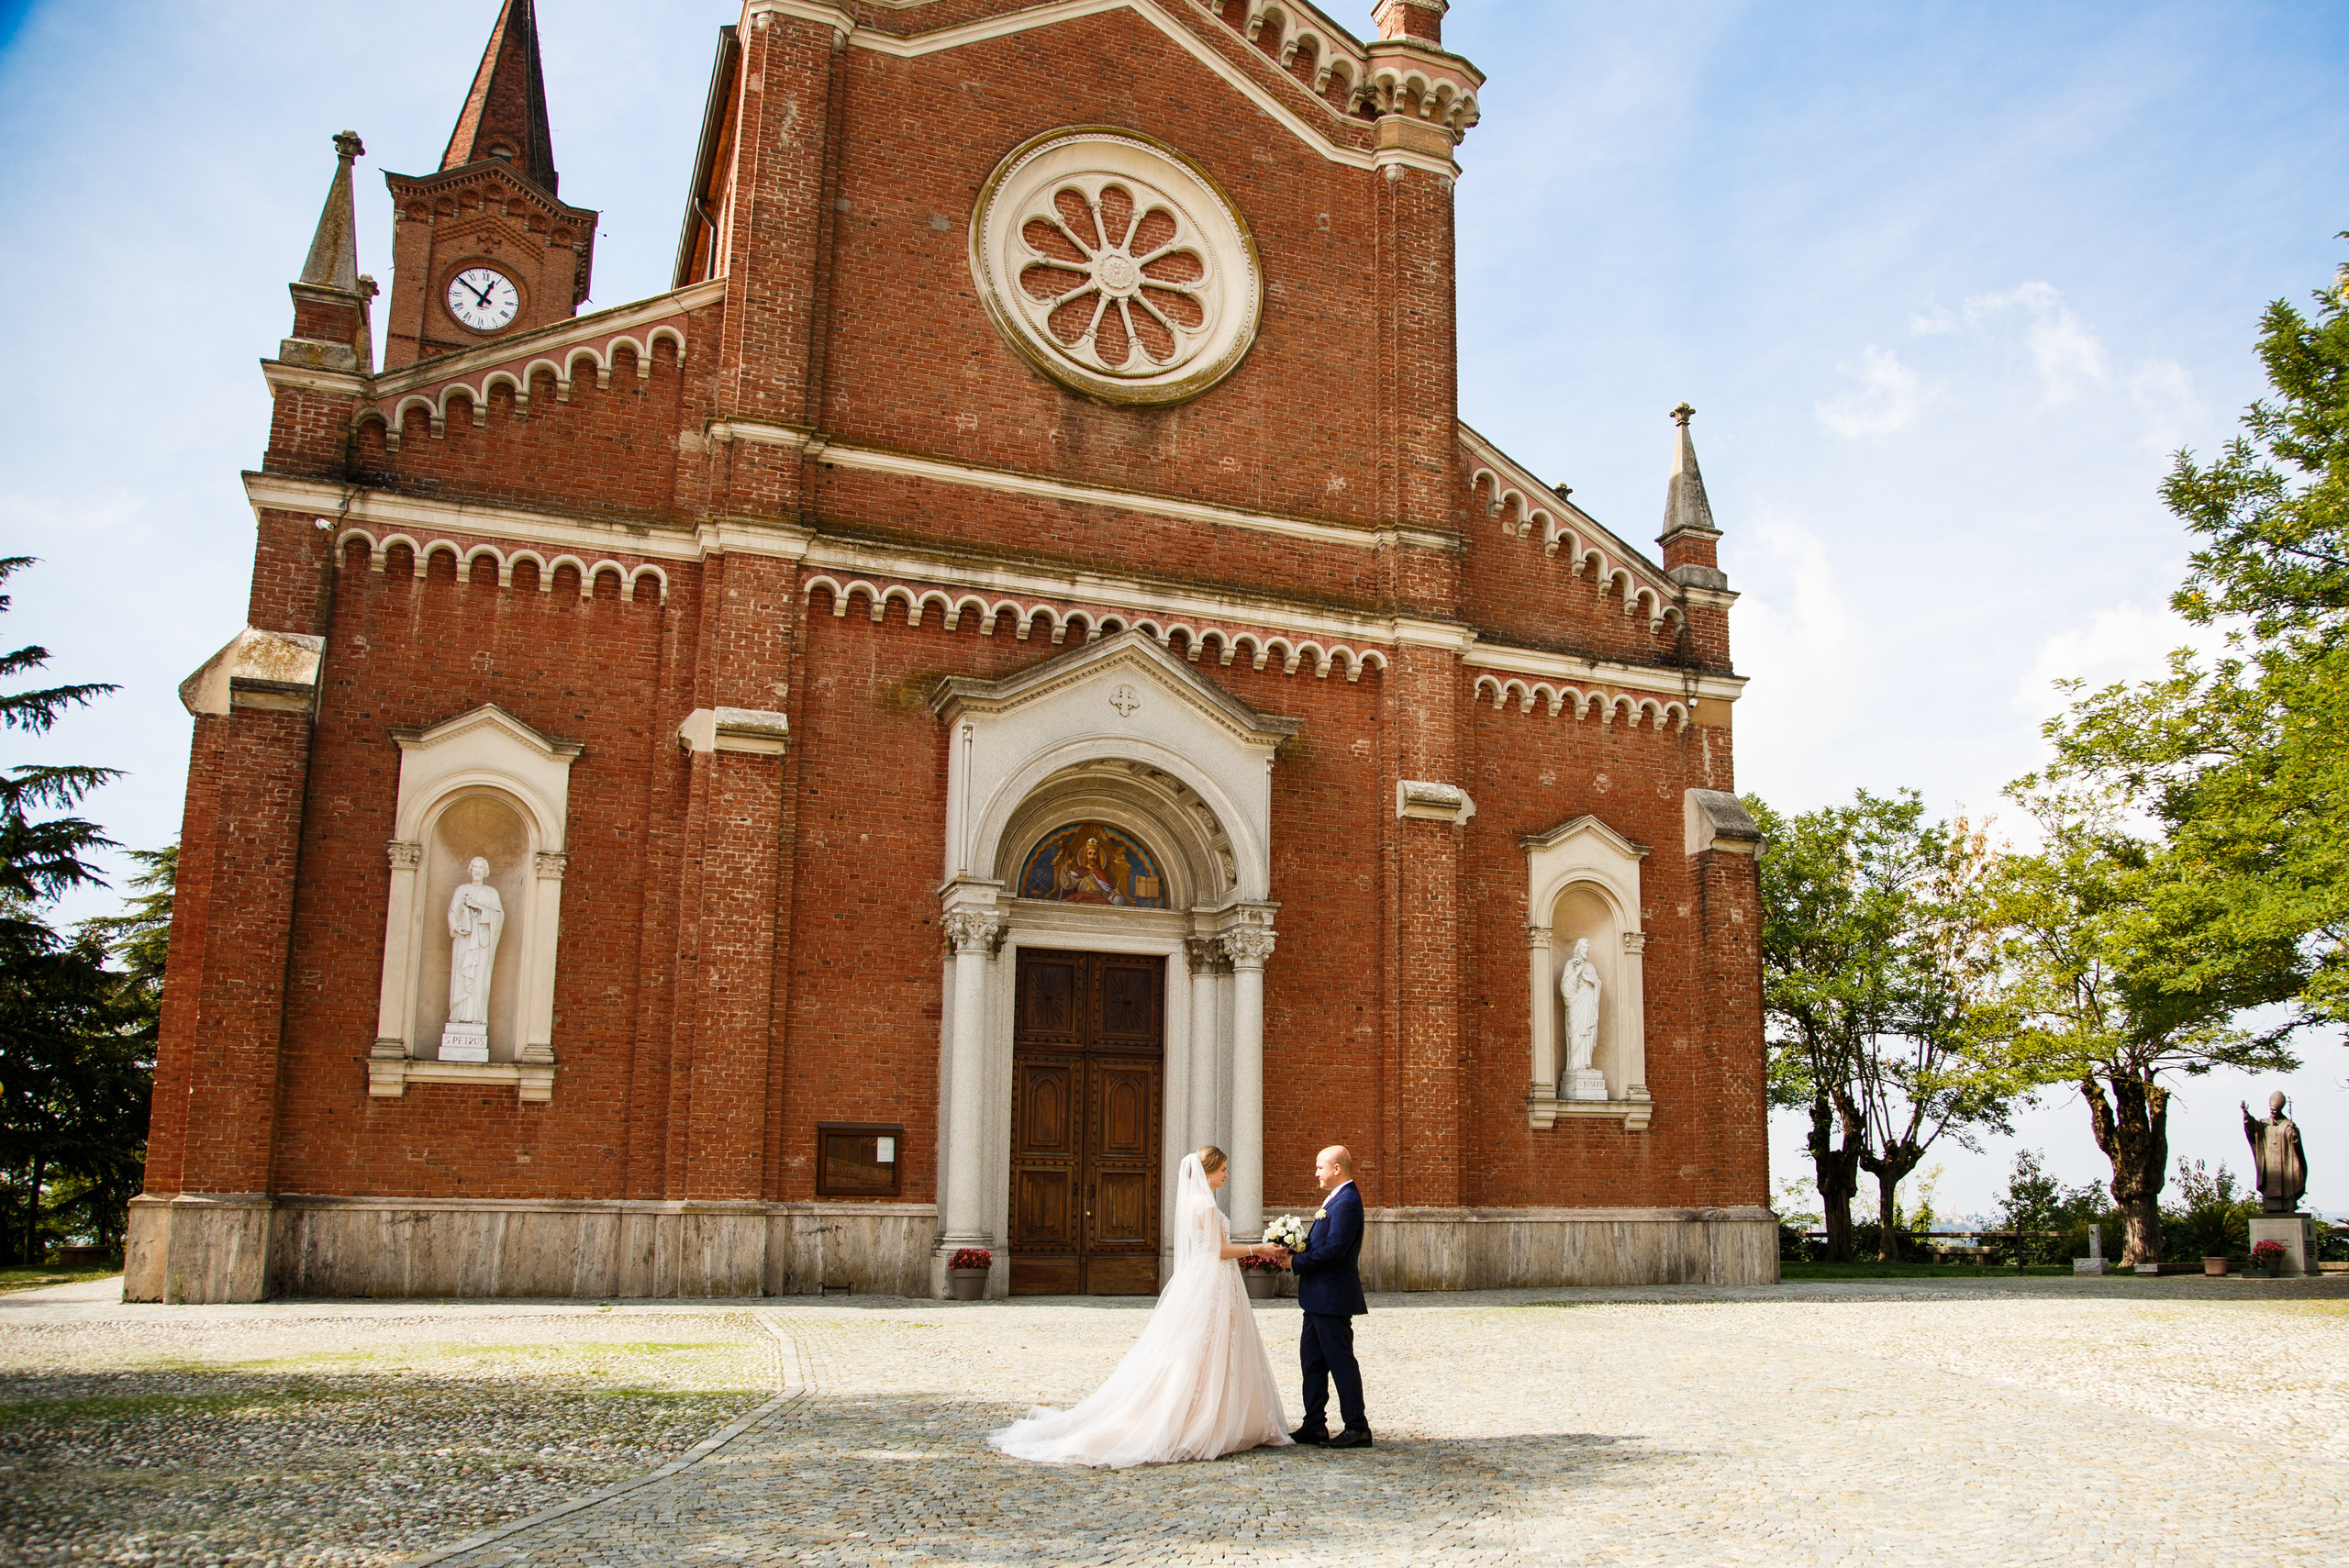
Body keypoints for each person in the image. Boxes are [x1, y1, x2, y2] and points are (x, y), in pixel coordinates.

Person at [986, 1147, 1292, 1467]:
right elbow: (1219, 1250)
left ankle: (1215, 1413)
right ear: (1209, 1171)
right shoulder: (1205, 1205)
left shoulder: (1195, 1202)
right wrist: (1258, 1248)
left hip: (1204, 1279)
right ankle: (1204, 1417)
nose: (1227, 1175)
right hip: (1213, 1279)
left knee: (1203, 1347)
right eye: (1223, 1169)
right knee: (1207, 1347)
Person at [1275, 1144, 1371, 1449]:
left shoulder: (1347, 1202)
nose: (1316, 1173)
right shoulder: (1336, 1199)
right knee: (1313, 1362)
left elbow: (1335, 1250)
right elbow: (1323, 1244)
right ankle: (1315, 1424)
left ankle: (1357, 1426)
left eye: (1320, 1167)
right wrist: (1295, 1248)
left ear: (1337, 1169)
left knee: (1341, 1362)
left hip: (1332, 1297)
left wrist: (1296, 1262)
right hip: (1317, 1298)